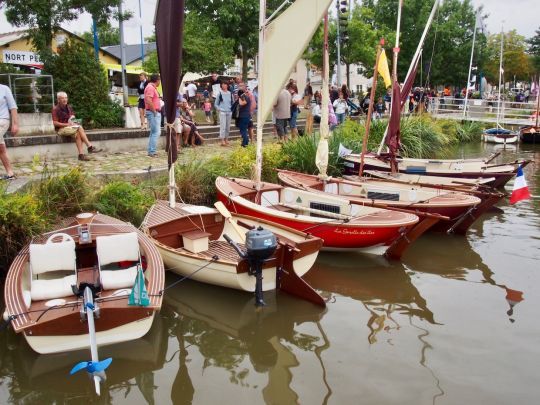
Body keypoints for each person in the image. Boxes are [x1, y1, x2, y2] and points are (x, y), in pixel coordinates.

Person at [52, 91, 102, 161]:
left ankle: (81, 155)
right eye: (62, 98)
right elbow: (55, 123)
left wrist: (73, 119)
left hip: (70, 127)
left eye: (66, 98)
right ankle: (90, 147)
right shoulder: (55, 109)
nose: (65, 100)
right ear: (58, 100)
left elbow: (73, 117)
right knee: (79, 127)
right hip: (61, 129)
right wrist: (67, 124)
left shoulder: (69, 107)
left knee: (78, 133)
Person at [0, 84, 18, 180]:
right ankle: (10, 173)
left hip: (3, 120)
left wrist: (15, 124)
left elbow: (13, 107)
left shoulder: (4, 89)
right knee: (1, 148)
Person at [144, 74, 162, 157]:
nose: (160, 82)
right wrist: (154, 111)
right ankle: (152, 151)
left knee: (153, 132)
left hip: (153, 112)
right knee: (156, 132)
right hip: (152, 112)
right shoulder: (150, 87)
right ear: (157, 80)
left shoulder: (151, 87)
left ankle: (151, 150)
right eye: (159, 80)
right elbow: (148, 100)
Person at [215, 81, 234, 146]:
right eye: (222, 84)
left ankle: (226, 139)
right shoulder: (219, 94)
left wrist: (232, 110)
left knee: (228, 127)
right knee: (223, 126)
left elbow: (233, 103)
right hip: (222, 112)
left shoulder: (230, 94)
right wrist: (219, 109)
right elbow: (216, 104)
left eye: (225, 84)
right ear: (221, 86)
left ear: (227, 85)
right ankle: (222, 140)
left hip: (229, 112)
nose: (224, 85)